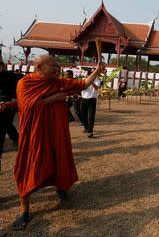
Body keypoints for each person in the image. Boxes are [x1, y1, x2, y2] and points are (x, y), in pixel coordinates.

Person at [12, 55, 103, 230]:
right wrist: (54, 99)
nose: (57, 68)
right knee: (29, 167)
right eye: (53, 66)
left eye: (57, 65)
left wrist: (97, 70)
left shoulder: (58, 82)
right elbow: (27, 107)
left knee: (58, 161)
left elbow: (83, 84)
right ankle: (24, 208)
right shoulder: (25, 83)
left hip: (56, 133)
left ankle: (60, 186)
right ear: (39, 66)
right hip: (35, 135)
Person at [0, 61, 21, 172]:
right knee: (8, 126)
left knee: (5, 127)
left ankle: (16, 138)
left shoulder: (12, 76)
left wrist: (12, 102)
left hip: (6, 108)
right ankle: (16, 138)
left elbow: (18, 91)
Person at [81, 69, 101, 138]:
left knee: (91, 116)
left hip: (92, 100)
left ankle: (90, 131)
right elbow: (81, 87)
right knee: (84, 114)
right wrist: (87, 80)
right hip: (84, 99)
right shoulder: (83, 80)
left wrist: (91, 81)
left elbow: (96, 88)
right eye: (91, 73)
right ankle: (86, 127)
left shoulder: (97, 81)